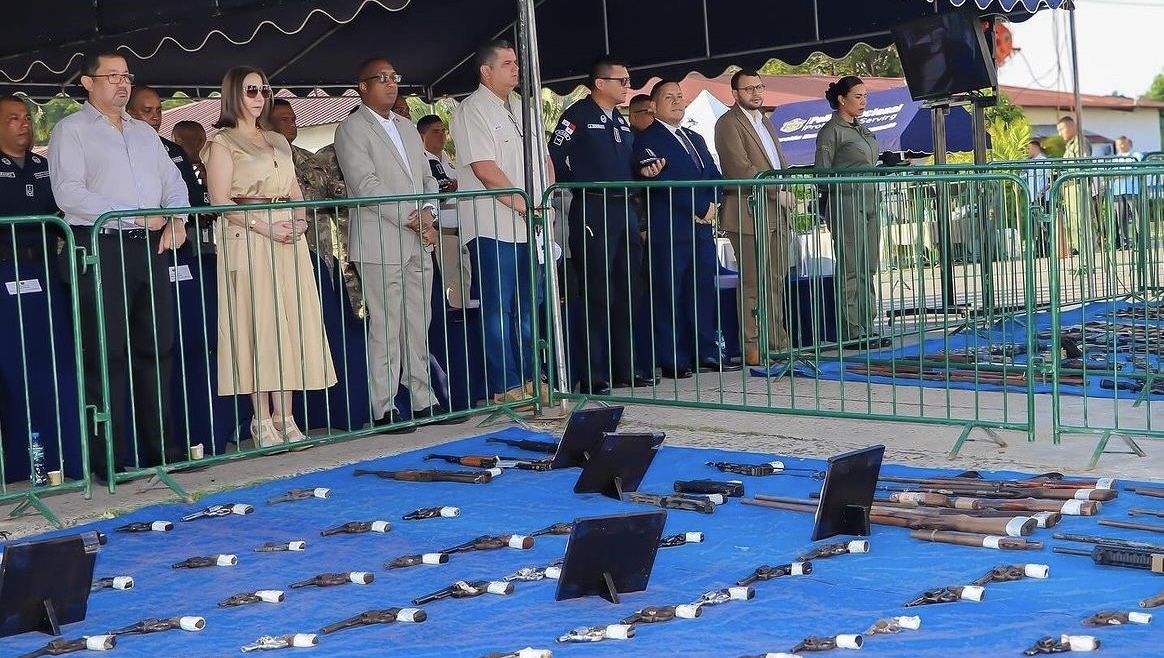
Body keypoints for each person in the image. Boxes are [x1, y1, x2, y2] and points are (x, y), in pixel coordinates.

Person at [48, 52, 189, 477]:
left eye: (126, 76)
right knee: (106, 353)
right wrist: (132, 216)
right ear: (87, 83)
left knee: (157, 347)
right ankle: (111, 459)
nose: (122, 83)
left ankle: (163, 451)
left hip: (149, 248)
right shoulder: (70, 131)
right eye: (112, 76)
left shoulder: (144, 133)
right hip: (101, 247)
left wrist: (178, 219)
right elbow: (69, 193)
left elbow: (174, 182)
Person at [202, 65, 336, 448]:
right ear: (233, 94)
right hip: (248, 237)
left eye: (263, 90)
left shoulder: (277, 140)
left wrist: (299, 219)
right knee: (257, 323)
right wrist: (265, 226)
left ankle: (285, 416)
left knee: (289, 324)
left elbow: (294, 190)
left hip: (287, 237)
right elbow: (220, 200)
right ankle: (260, 419)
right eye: (251, 90)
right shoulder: (222, 142)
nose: (260, 97)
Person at [335, 58, 452, 430]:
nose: (390, 84)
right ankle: (384, 406)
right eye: (381, 78)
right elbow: (365, 184)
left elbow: (427, 177)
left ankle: (423, 398)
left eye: (394, 77)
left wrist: (428, 211)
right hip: (381, 239)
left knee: (419, 322)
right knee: (386, 326)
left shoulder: (406, 126)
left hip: (417, 237)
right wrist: (411, 216)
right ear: (362, 86)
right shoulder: (351, 128)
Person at [450, 39, 554, 406]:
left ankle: (532, 378)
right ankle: (506, 385)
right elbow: (485, 169)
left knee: (529, 307)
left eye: (516, 63)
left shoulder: (525, 108)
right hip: (492, 225)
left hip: (530, 223)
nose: (516, 68)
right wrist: (525, 205)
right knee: (498, 308)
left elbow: (545, 159)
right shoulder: (471, 110)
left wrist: (545, 200)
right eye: (507, 63)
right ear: (486, 71)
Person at [549, 56, 660, 394]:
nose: (628, 86)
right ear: (600, 83)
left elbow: (625, 161)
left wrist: (643, 169)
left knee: (629, 289)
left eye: (628, 80)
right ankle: (593, 373)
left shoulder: (621, 121)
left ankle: (626, 367)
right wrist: (580, 183)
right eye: (621, 80)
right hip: (594, 208)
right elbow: (555, 156)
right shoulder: (577, 115)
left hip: (625, 208)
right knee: (597, 291)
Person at [634, 80, 735, 379]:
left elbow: (713, 174)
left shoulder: (694, 137)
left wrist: (713, 203)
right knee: (669, 294)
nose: (678, 101)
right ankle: (672, 357)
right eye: (670, 97)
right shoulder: (647, 139)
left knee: (702, 290)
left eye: (680, 96)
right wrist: (698, 207)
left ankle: (705, 351)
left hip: (700, 230)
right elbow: (663, 181)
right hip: (670, 228)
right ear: (654, 106)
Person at [714, 70, 796, 366]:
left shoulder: (766, 121)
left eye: (759, 87)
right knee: (753, 282)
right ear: (735, 93)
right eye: (748, 89)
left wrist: (786, 188)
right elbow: (740, 168)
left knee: (775, 281)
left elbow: (778, 162)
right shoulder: (728, 123)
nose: (756, 93)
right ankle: (753, 345)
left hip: (776, 211)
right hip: (747, 211)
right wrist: (778, 191)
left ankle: (777, 341)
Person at [813, 76, 888, 349]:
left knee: (869, 265)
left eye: (865, 96)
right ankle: (852, 330)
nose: (863, 101)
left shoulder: (862, 130)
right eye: (858, 96)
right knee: (851, 266)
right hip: (845, 200)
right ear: (841, 99)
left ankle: (867, 325)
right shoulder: (831, 131)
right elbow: (822, 174)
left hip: (870, 199)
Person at [269, 98, 340, 265]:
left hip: (319, 241)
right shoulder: (261, 161)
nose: (292, 124)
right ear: (267, 123)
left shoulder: (309, 159)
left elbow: (331, 189)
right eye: (284, 120)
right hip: (284, 240)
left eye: (293, 119)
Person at [418, 113, 473, 310]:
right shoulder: (423, 162)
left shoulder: (449, 162)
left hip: (461, 230)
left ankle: (462, 315)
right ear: (422, 136)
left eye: (443, 131)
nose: (441, 135)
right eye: (435, 132)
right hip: (441, 231)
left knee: (464, 277)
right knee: (448, 278)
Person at [1056, 115, 1092, 256]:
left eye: (1062, 129)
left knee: (1081, 220)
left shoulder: (1080, 142)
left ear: (1071, 127)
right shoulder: (1069, 146)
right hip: (1069, 187)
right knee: (1073, 222)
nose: (1060, 134)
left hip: (1077, 185)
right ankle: (1082, 251)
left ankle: (1088, 253)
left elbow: (1083, 164)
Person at [1111, 136, 1142, 251]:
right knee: (1121, 218)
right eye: (1118, 144)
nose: (1120, 146)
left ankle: (1141, 241)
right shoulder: (1115, 159)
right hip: (1118, 191)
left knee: (1137, 216)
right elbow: (1112, 173)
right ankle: (1124, 242)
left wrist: (1119, 174)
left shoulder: (1136, 155)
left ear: (1128, 143)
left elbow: (1132, 170)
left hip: (1132, 189)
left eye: (1122, 143)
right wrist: (1121, 173)